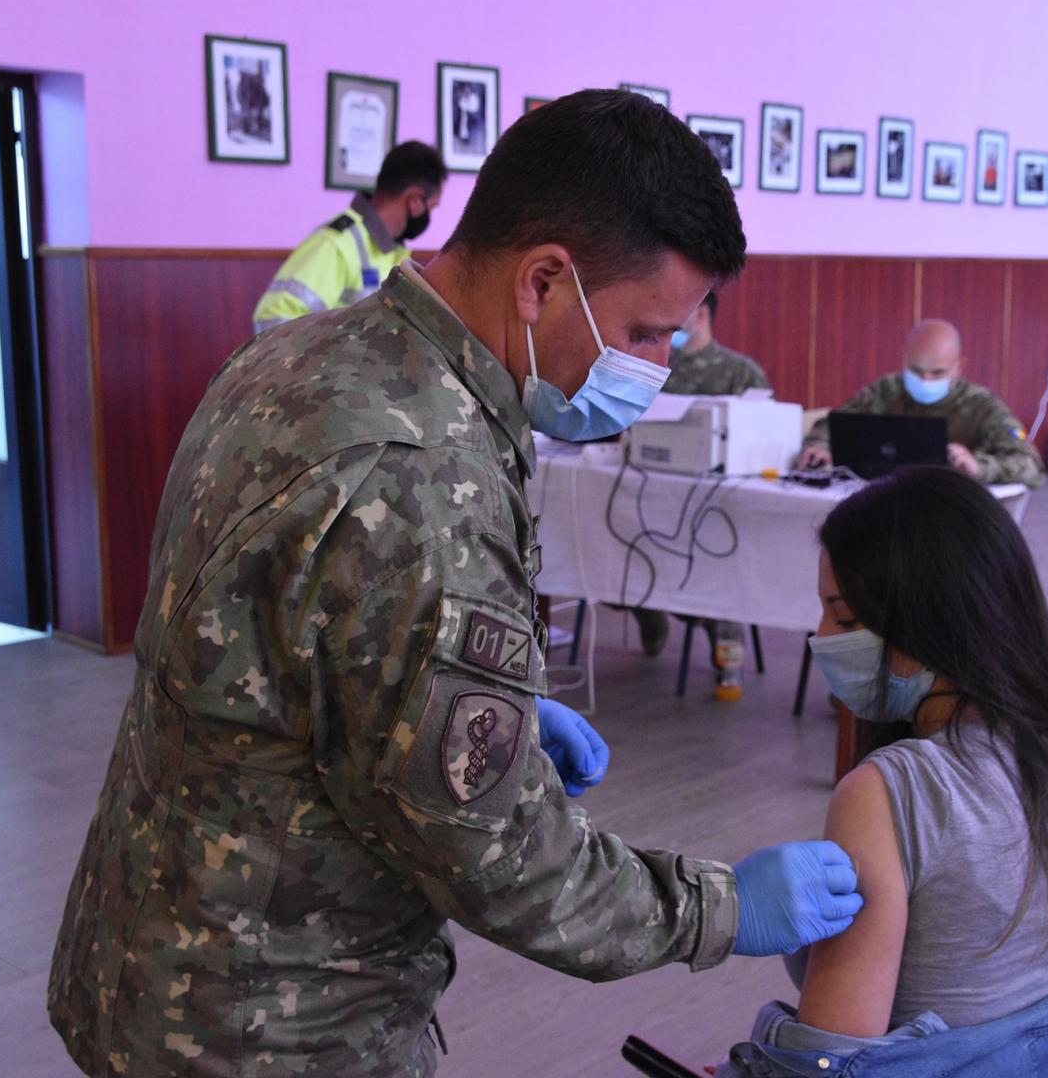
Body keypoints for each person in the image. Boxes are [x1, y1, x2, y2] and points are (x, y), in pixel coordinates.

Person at [47, 90, 862, 1078]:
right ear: (544, 282)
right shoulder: (422, 477)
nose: (654, 369)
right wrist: (721, 907)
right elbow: (505, 865)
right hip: (277, 1022)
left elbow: (275, 657)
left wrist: (482, 711)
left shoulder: (298, 357)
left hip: (150, 944)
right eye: (644, 334)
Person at [716, 466, 1048, 1076]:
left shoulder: (887, 792)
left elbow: (832, 1054)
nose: (820, 636)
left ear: (930, 621)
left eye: (845, 619)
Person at [631, 290, 771, 660]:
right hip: (650, 492)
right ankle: (644, 606)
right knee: (619, 537)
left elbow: (763, 436)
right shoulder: (653, 367)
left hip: (716, 506)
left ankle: (718, 626)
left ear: (703, 314)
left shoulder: (741, 372)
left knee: (716, 549)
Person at [797, 319, 1044, 489]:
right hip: (881, 502)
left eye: (937, 373)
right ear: (905, 360)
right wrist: (820, 449)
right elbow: (831, 425)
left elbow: (1031, 466)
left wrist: (978, 466)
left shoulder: (982, 407)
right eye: (916, 370)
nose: (925, 380)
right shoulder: (885, 391)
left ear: (959, 367)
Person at [251, 141, 448, 333]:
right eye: (432, 207)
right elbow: (272, 319)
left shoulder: (393, 253)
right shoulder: (336, 244)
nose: (430, 215)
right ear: (415, 200)